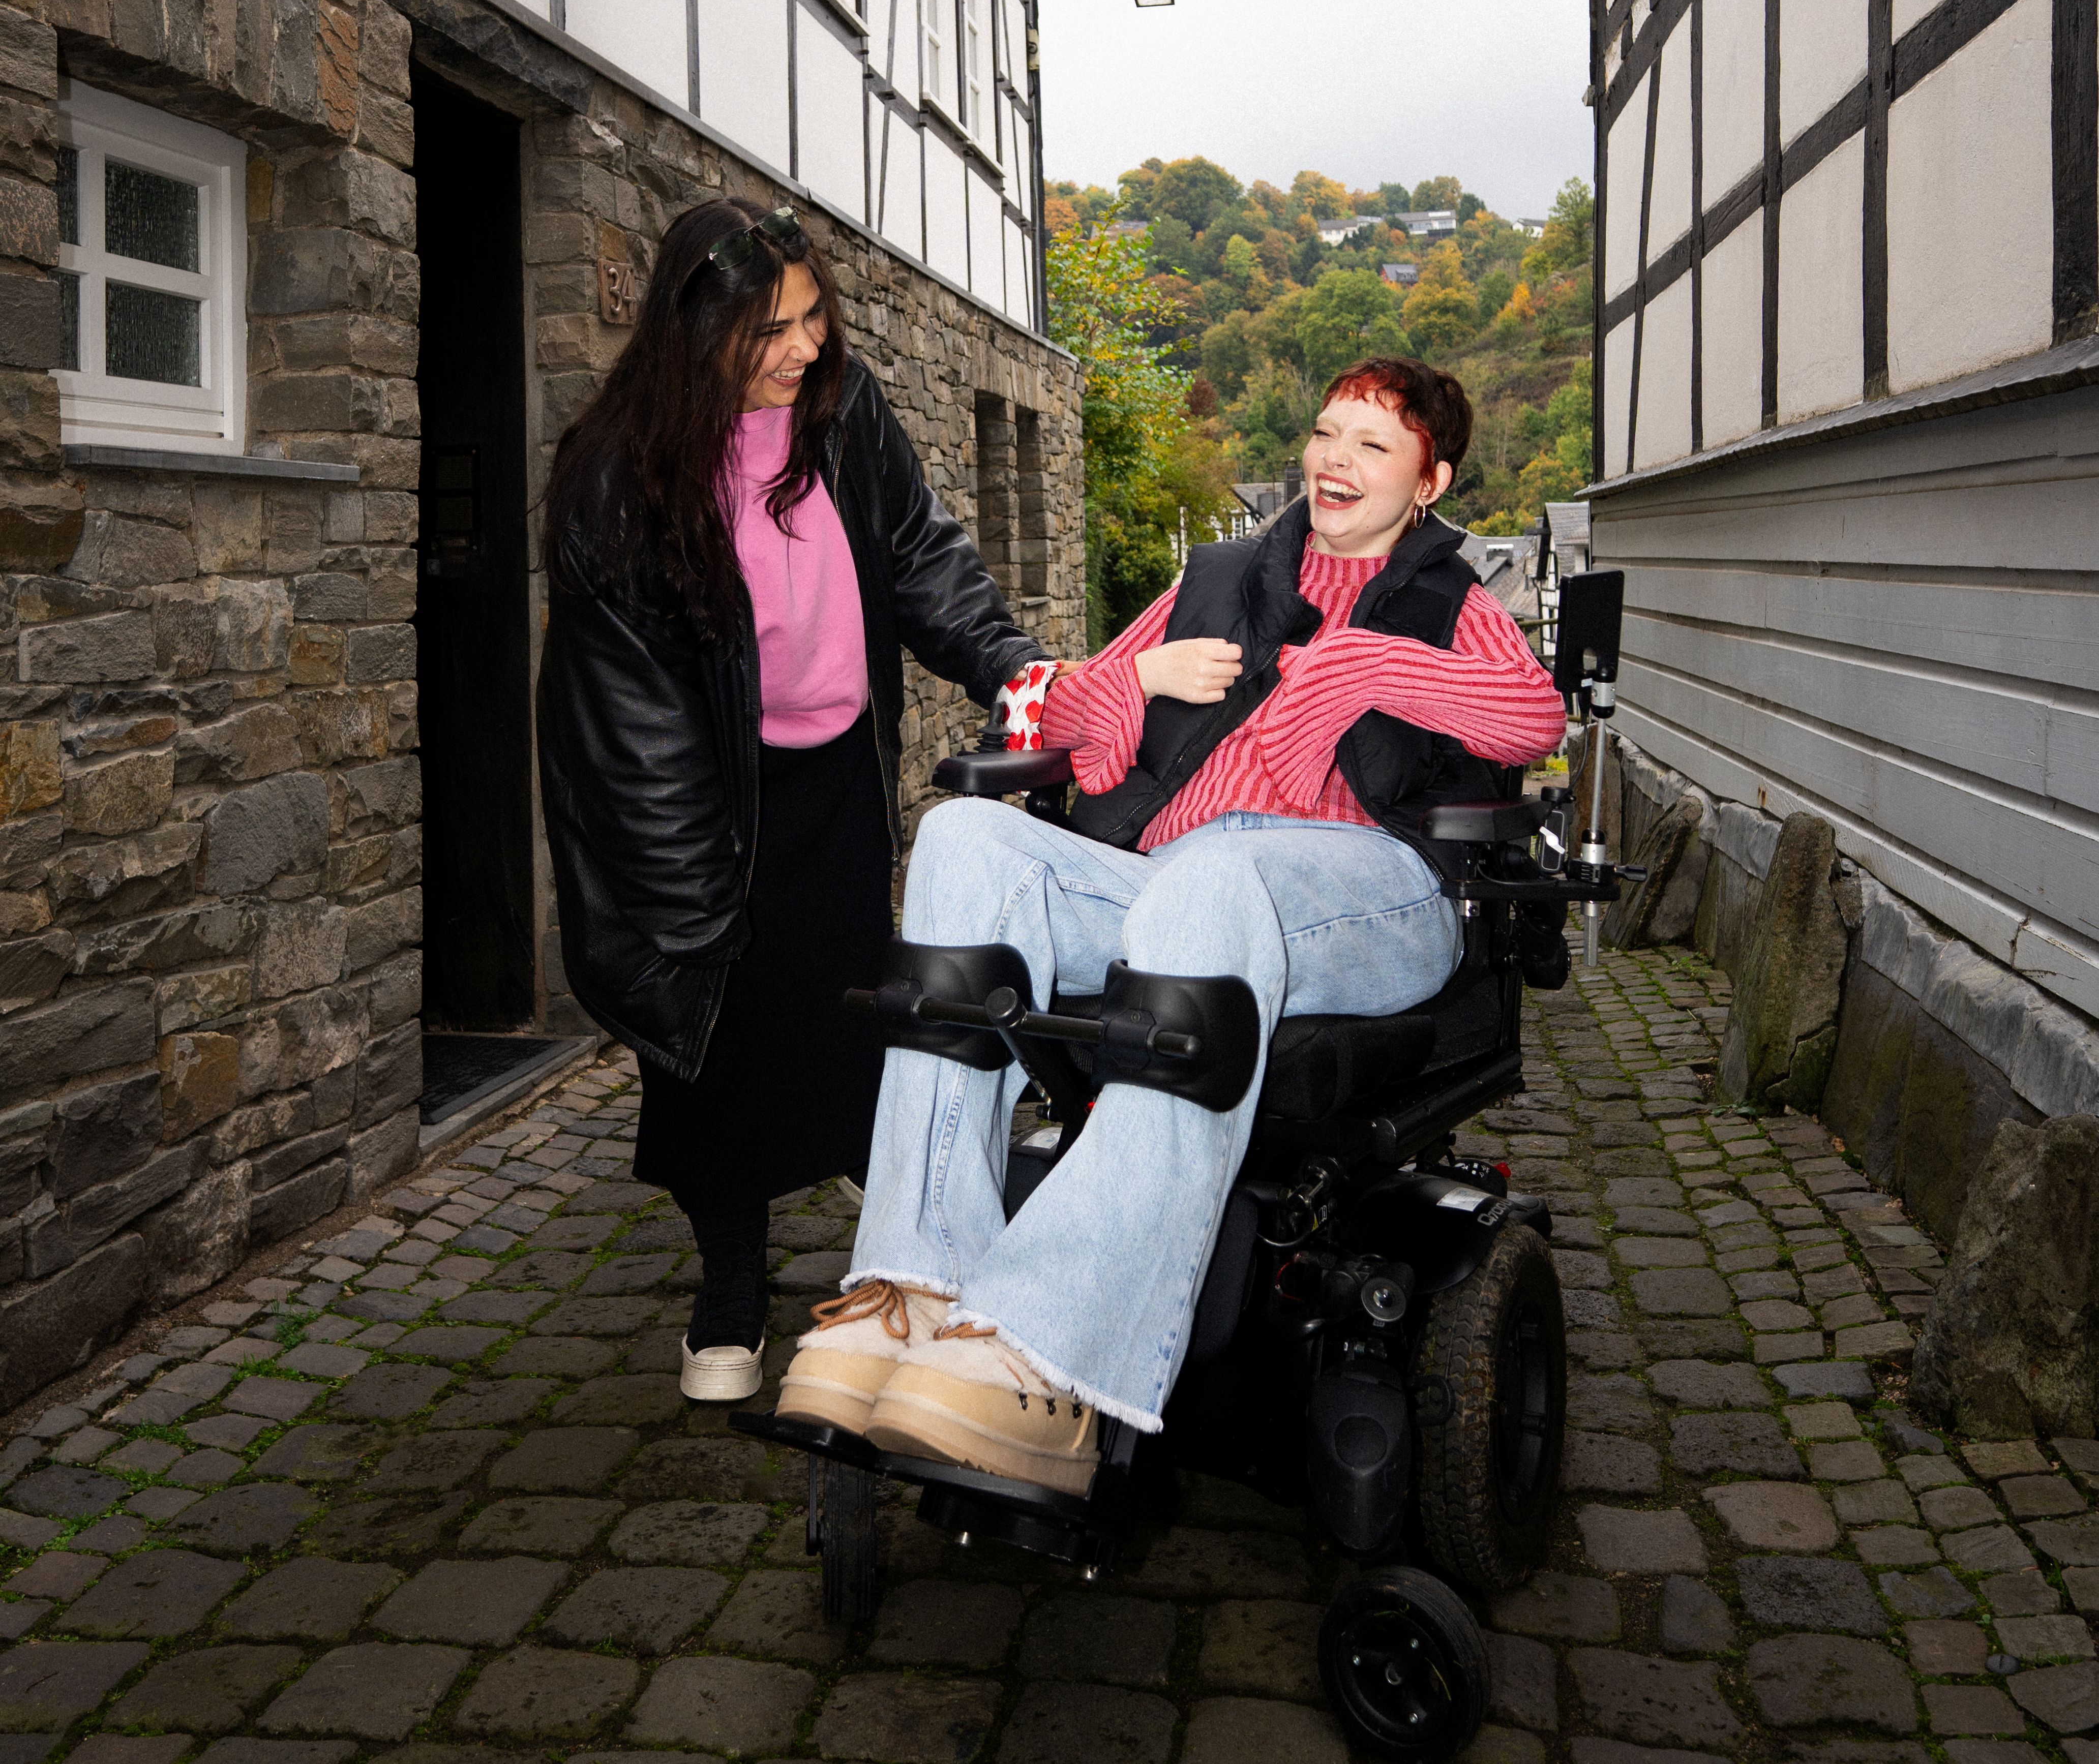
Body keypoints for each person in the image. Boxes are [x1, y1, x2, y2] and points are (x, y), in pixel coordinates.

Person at [777, 355, 1568, 1491]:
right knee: (967, 841)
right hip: (1186, 881)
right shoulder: (1222, 577)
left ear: (1430, 482)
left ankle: (1049, 1342)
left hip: (1375, 895)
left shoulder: (1452, 602)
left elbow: (1529, 713)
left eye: (1374, 444)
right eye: (1327, 432)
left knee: (1218, 870)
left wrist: (1356, 669)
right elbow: (1057, 702)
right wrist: (1140, 673)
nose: (1335, 459)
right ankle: (915, 1286)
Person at [535, 196, 1045, 1403]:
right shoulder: (618, 474)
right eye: (775, 329)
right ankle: (728, 1284)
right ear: (697, 331)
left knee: (849, 1009)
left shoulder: (845, 409)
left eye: (816, 316)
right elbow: (635, 728)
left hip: (835, 780)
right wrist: (691, 899)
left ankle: (893, 1235)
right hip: (703, 801)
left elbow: (917, 556)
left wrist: (1012, 665)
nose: (807, 347)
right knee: (718, 1041)